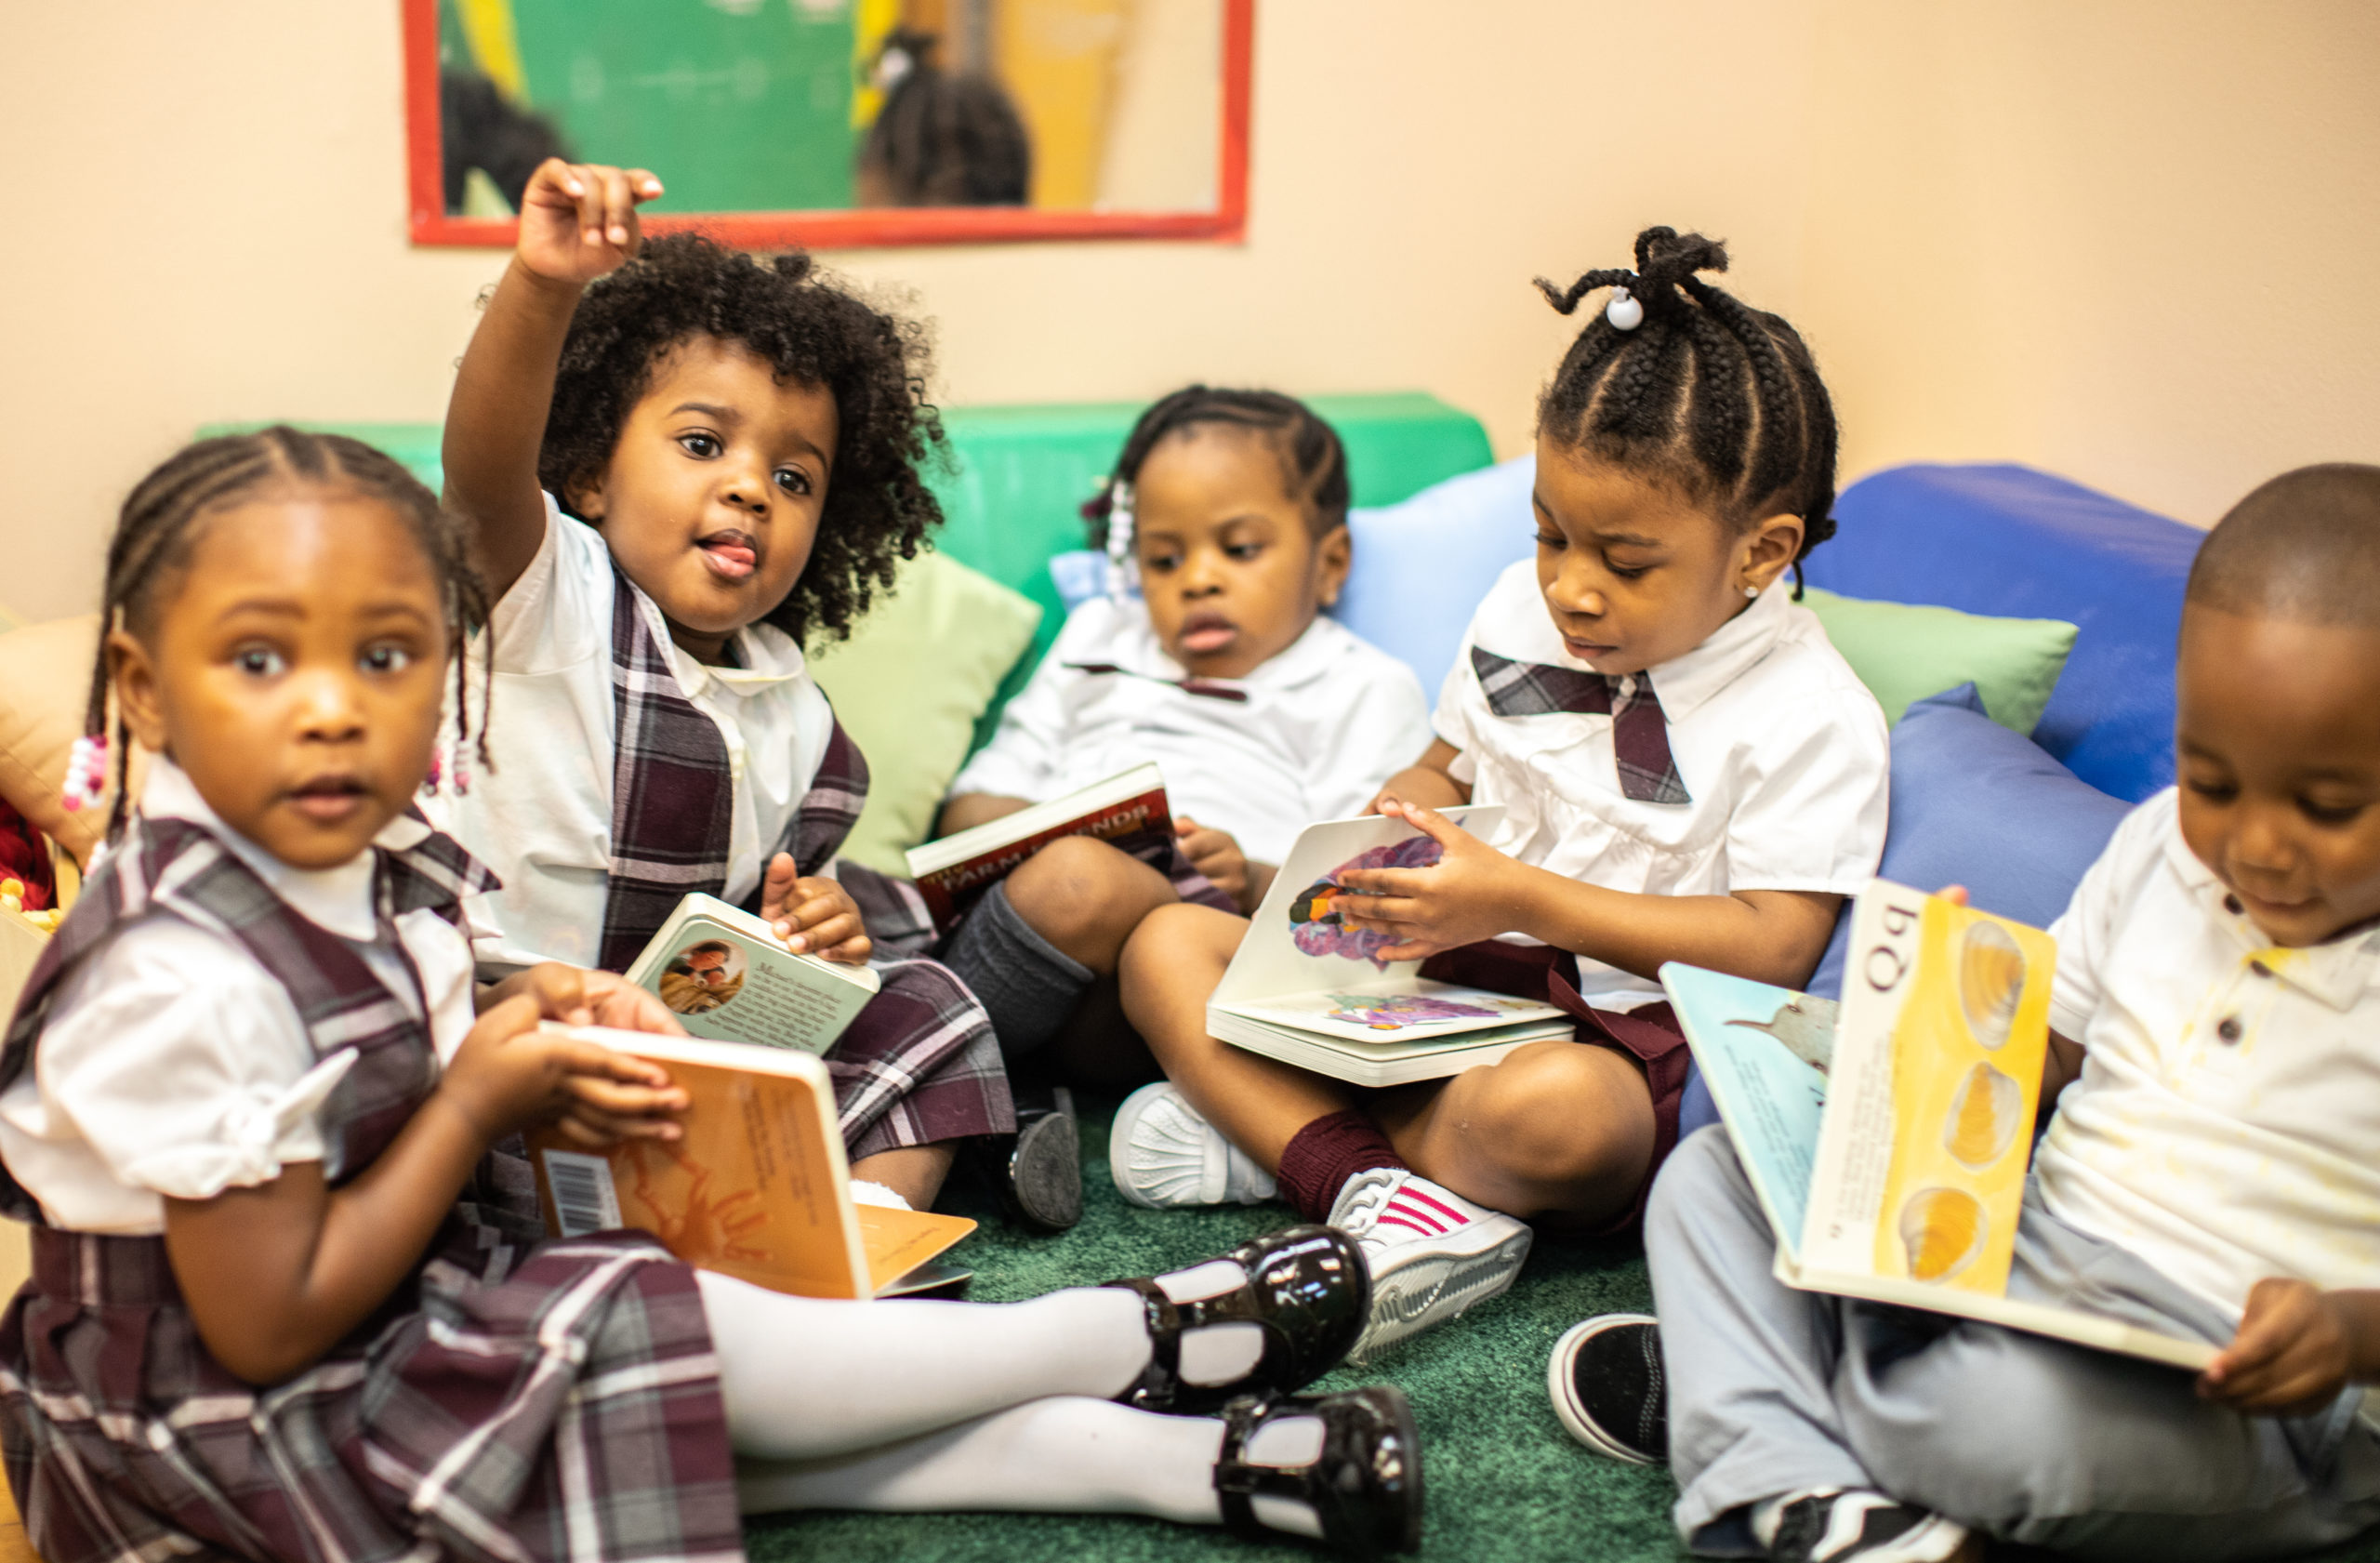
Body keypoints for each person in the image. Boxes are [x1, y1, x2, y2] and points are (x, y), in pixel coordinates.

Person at [0, 429, 1424, 1563]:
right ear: (143, 684)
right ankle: (1132, 1333)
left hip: (397, 1304)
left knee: (664, 1396)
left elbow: (403, 1025)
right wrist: (488, 1093)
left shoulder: (365, 850)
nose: (330, 706)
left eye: (385, 656)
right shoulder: (175, 978)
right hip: (233, 1425)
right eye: (261, 659)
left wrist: (533, 1000)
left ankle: (1194, 1467)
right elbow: (268, 1325)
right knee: (637, 1326)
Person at [1555, 463, 2380, 1563]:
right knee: (1710, 1175)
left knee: (1988, 1426)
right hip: (2029, 1270)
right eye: (2211, 781)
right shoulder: (2153, 854)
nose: (2256, 845)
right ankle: (1813, 1479)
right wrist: (1944, 1022)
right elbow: (2053, 1057)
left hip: (2252, 1391)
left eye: (2326, 807)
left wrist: (2344, 1333)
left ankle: (1764, 1427)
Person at [1113, 229, 1888, 1358]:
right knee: (1165, 945)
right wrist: (1399, 812)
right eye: (1547, 534)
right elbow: (1449, 765)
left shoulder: (1811, 715)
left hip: (1619, 1035)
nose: (1570, 587)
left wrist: (1519, 897)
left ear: (1760, 553)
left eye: (1624, 562)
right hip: (1448, 979)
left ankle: (1291, 1143)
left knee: (1556, 1119)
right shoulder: (1514, 612)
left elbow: (1770, 945)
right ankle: (1375, 1185)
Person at [433, 158, 1015, 1221]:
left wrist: (812, 935)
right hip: (507, 1050)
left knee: (928, 1001)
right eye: (702, 444)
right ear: (592, 472)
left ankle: (856, 1250)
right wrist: (542, 284)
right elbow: (479, 471)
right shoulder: (546, 596)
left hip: (678, 1061)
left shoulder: (793, 713)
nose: (751, 486)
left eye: (795, 479)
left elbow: (746, 946)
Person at [931, 387, 1432, 1091]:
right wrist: (1047, 835)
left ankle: (930, 1069)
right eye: (1163, 560)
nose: (1197, 580)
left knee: (1084, 881)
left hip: (1211, 960)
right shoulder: (1097, 639)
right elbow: (969, 810)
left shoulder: (1361, 685)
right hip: (1044, 934)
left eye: (1240, 549)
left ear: (1332, 564)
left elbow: (1368, 894)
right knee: (1071, 876)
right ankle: (981, 1081)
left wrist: (1251, 877)